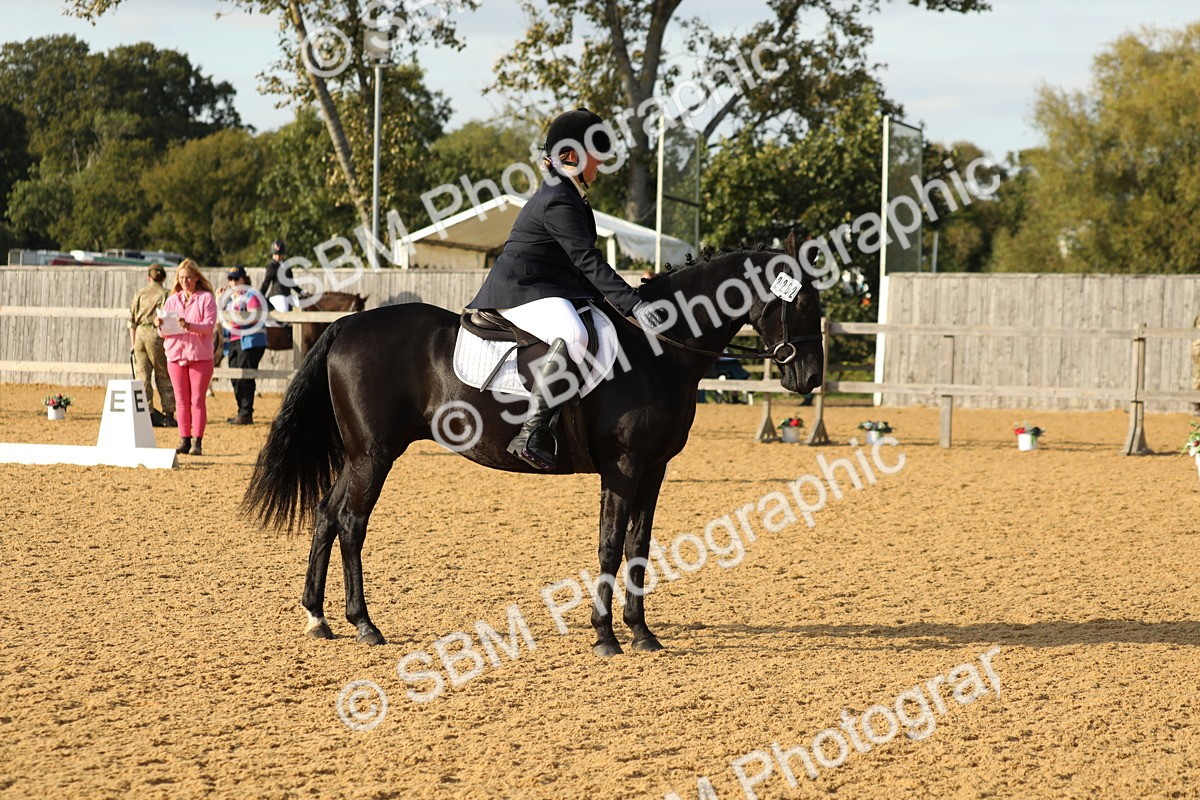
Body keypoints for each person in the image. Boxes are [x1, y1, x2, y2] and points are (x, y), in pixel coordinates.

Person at [465, 107, 668, 470]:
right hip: (521, 290)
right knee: (573, 333)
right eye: (595, 158)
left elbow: (584, 265)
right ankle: (531, 431)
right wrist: (633, 305)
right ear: (572, 156)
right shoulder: (559, 197)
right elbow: (587, 261)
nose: (599, 166)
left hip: (548, 288)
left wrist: (635, 292)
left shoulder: (570, 194)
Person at [157, 258, 217, 455]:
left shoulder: (206, 298)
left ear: (197, 277)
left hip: (200, 356)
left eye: (189, 277)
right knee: (181, 400)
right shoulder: (173, 299)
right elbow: (164, 332)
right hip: (175, 354)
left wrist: (188, 325)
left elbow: (209, 327)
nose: (185, 281)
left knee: (197, 400)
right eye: (181, 278)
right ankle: (184, 439)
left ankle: (197, 442)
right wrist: (160, 324)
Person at [128, 263, 176, 427]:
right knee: (163, 374)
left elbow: (132, 321)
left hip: (140, 334)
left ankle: (146, 413)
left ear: (148, 277)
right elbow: (168, 318)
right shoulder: (166, 294)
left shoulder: (139, 294)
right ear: (163, 277)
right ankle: (168, 414)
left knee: (142, 376)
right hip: (156, 334)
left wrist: (133, 344)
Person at [220, 266, 267, 425]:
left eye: (236, 278)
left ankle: (246, 412)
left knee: (245, 376)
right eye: (231, 279)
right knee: (235, 376)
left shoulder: (251, 295)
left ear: (244, 279)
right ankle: (242, 410)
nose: (233, 282)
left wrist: (238, 319)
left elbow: (255, 315)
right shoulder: (229, 298)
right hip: (234, 340)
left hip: (249, 340)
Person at [258, 239, 298, 315]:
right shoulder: (271, 267)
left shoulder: (287, 265)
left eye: (280, 255)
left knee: (301, 305)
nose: (277, 257)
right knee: (283, 311)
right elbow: (266, 283)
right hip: (277, 295)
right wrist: (260, 296)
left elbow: (291, 282)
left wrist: (301, 292)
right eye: (275, 255)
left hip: (288, 295)